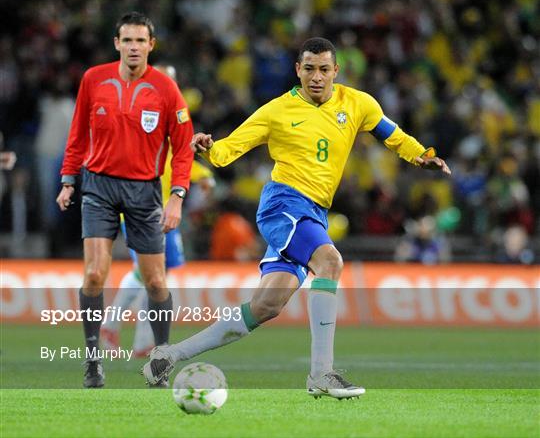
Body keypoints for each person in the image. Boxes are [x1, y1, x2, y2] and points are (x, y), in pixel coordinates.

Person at [143, 37, 451, 398]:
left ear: (336, 71)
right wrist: (210, 148)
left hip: (314, 212)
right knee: (330, 261)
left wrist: (420, 155)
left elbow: (392, 134)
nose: (316, 77)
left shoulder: (358, 104)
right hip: (283, 204)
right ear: (297, 71)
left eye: (323, 69)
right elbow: (231, 148)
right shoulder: (276, 111)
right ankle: (322, 374)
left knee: (265, 306)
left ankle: (169, 354)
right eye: (309, 69)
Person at [56, 13, 194, 388]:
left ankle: (161, 362)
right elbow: (77, 134)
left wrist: (177, 196)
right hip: (98, 186)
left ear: (151, 45)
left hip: (144, 190)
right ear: (117, 43)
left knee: (155, 281)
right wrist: (69, 180)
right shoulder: (93, 79)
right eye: (127, 40)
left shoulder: (166, 89)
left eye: (140, 41)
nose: (134, 47)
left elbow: (183, 148)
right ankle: (93, 362)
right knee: (94, 274)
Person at [101, 64, 214, 357]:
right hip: (140, 208)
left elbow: (177, 154)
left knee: (156, 276)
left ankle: (140, 341)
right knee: (149, 274)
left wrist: (200, 176)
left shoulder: (171, 114)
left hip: (163, 210)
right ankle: (112, 324)